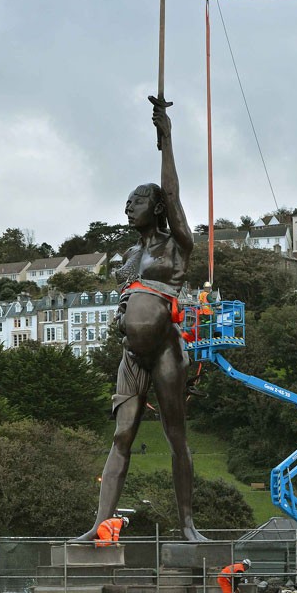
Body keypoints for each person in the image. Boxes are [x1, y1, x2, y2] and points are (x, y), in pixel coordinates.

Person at [75, 97, 205, 542]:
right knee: (121, 436)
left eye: (137, 201)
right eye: (126, 201)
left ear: (157, 207)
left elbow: (173, 193)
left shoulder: (175, 245)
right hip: (131, 356)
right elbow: (126, 300)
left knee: (175, 435)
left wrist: (165, 137)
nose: (128, 207)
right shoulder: (130, 255)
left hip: (167, 349)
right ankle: (99, 525)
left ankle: (188, 525)